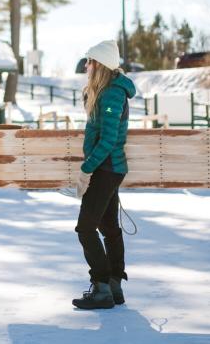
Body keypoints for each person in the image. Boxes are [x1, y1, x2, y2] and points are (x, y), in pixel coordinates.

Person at [72, 39, 137, 310]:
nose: (86, 66)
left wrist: (86, 170)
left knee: (85, 228)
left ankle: (101, 287)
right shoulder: (104, 90)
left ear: (100, 65)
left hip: (106, 169)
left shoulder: (112, 94)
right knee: (109, 227)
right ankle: (113, 285)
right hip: (107, 169)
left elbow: (109, 139)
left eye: (90, 62)